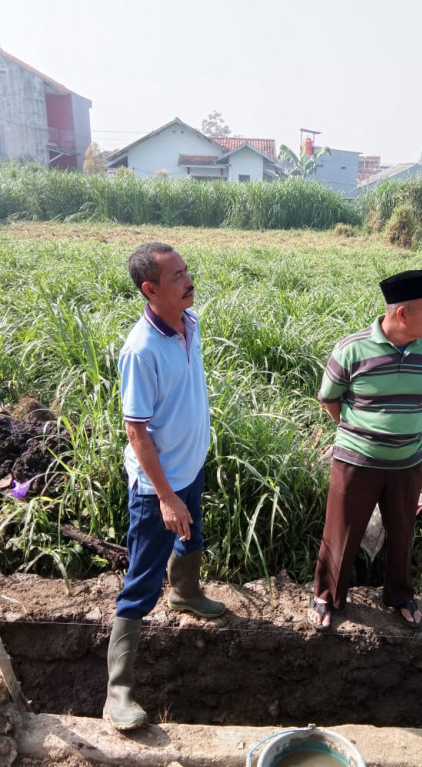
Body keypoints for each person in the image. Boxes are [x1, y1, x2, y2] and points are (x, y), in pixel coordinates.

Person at [103, 242, 225, 731]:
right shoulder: (141, 349)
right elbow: (137, 432)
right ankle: (119, 692)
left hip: (189, 468)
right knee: (141, 580)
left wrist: (187, 478)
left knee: (193, 538)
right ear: (150, 290)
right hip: (158, 486)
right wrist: (167, 497)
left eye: (187, 270)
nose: (188, 280)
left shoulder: (188, 324)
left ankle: (186, 593)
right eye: (177, 276)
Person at [308, 269, 422, 632]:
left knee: (402, 531)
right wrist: (359, 433)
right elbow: (329, 399)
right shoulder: (352, 348)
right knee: (341, 530)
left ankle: (400, 595)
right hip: (356, 462)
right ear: (402, 313)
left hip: (408, 463)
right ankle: (326, 596)